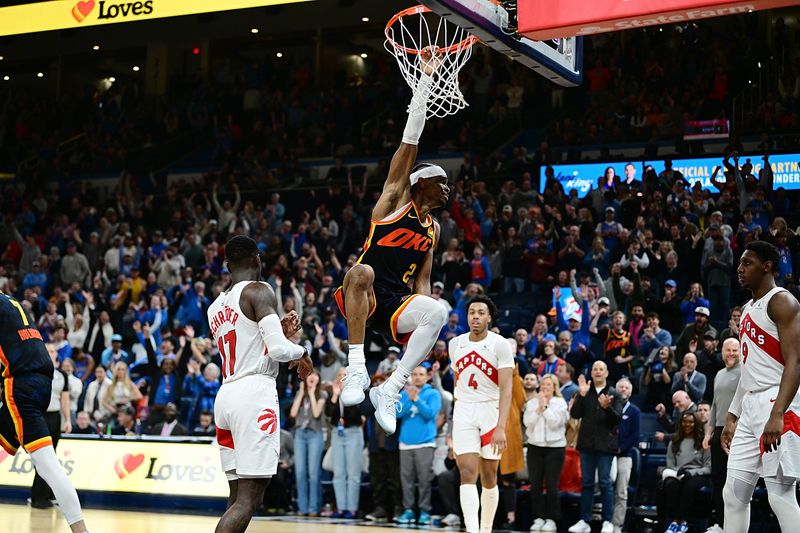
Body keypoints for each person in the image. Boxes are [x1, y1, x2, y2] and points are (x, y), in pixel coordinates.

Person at [333, 51, 451, 435]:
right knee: (361, 269)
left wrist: (424, 316)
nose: (448, 187)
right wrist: (426, 81)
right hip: (364, 299)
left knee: (437, 310)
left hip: (397, 305)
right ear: (421, 183)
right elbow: (410, 138)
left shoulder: (433, 229)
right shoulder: (396, 198)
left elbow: (422, 283)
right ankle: (356, 369)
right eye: (442, 181)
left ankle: (392, 387)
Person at [206, 235, 312, 533]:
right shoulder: (259, 290)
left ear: (227, 266)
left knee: (237, 495)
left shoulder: (215, 306)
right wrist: (304, 352)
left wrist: (278, 329)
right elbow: (278, 351)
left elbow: (249, 340)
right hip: (254, 395)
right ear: (257, 260)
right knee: (250, 498)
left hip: (226, 395)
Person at [721, 241, 800, 533]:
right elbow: (748, 368)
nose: (740, 269)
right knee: (733, 494)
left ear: (767, 266)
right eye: (740, 263)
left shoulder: (783, 301)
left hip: (778, 403)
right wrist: (732, 415)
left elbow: (796, 362)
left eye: (747, 263)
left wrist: (778, 414)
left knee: (780, 496)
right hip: (750, 406)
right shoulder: (747, 308)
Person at [0, 291, 89, 533]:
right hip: (42, 383)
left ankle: (81, 530)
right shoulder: (14, 302)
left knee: (47, 464)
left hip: (20, 385)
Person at [449, 295, 514, 533]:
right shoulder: (455, 344)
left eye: (480, 312)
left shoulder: (501, 344)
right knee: (466, 472)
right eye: (471, 312)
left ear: (489, 317)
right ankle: (472, 530)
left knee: (489, 476)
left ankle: (486, 528)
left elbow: (507, 388)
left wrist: (500, 427)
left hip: (491, 409)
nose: (475, 316)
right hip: (464, 408)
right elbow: (458, 381)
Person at [569, 361, 624, 533]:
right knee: (586, 483)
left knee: (606, 483)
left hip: (606, 446)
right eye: (595, 369)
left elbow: (617, 419)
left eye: (601, 369)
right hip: (586, 444)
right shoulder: (586, 391)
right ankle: (584, 520)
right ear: (591, 373)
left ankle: (607, 521)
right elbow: (574, 414)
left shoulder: (614, 393)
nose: (598, 372)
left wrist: (606, 408)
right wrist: (582, 396)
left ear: (607, 373)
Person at [702, 338, 741, 533]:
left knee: (734, 479)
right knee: (718, 479)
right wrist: (708, 433)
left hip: (739, 430)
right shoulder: (718, 374)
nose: (732, 353)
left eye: (735, 350)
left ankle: (734, 525)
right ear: (722, 352)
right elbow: (715, 406)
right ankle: (719, 523)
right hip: (718, 430)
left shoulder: (745, 372)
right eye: (729, 350)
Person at [396, 365, 442, 525]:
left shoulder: (433, 393)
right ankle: (408, 510)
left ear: (427, 376)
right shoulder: (404, 394)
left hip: (425, 443)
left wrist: (417, 400)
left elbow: (430, 413)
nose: (417, 377)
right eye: (414, 374)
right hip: (405, 443)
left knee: (424, 480)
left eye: (421, 374)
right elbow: (396, 413)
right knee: (406, 480)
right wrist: (409, 399)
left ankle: (424, 511)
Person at [523, 373, 568, 533]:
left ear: (554, 387)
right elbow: (527, 422)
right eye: (543, 384)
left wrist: (546, 407)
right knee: (535, 485)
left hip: (555, 449)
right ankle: (538, 517)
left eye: (549, 385)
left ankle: (552, 519)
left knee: (552, 485)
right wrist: (538, 408)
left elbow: (556, 423)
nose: (545, 387)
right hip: (535, 447)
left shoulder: (560, 403)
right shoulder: (532, 403)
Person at [658, 412, 712, 533]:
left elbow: (708, 467)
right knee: (670, 485)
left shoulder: (703, 442)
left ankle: (679, 521)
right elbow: (670, 464)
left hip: (697, 474)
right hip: (677, 473)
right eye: (684, 421)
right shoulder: (674, 441)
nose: (687, 424)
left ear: (695, 424)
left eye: (691, 422)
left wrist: (691, 472)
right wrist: (678, 472)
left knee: (690, 485)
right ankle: (673, 521)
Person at [325, 367, 365, 519]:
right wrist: (336, 395)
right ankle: (341, 508)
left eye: (345, 375)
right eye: (340, 375)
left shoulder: (356, 394)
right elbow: (329, 414)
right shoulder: (333, 396)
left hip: (353, 433)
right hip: (337, 434)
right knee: (339, 473)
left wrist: (346, 393)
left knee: (353, 473)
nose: (342, 377)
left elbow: (355, 415)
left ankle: (352, 508)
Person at [289, 370, 327, 517]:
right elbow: (292, 413)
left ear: (319, 379)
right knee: (299, 472)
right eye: (310, 375)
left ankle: (314, 507)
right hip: (300, 434)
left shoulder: (322, 395)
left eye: (315, 375)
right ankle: (302, 507)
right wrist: (301, 392)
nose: (312, 377)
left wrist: (311, 393)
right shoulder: (301, 394)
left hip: (314, 435)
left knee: (313, 472)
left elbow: (317, 413)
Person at [613, 377, 641, 533]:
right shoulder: (609, 407)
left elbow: (635, 436)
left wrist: (620, 448)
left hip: (625, 455)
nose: (623, 389)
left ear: (630, 392)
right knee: (605, 490)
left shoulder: (634, 411)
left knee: (621, 492)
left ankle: (617, 525)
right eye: (621, 386)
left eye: (626, 387)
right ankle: (603, 522)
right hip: (607, 455)